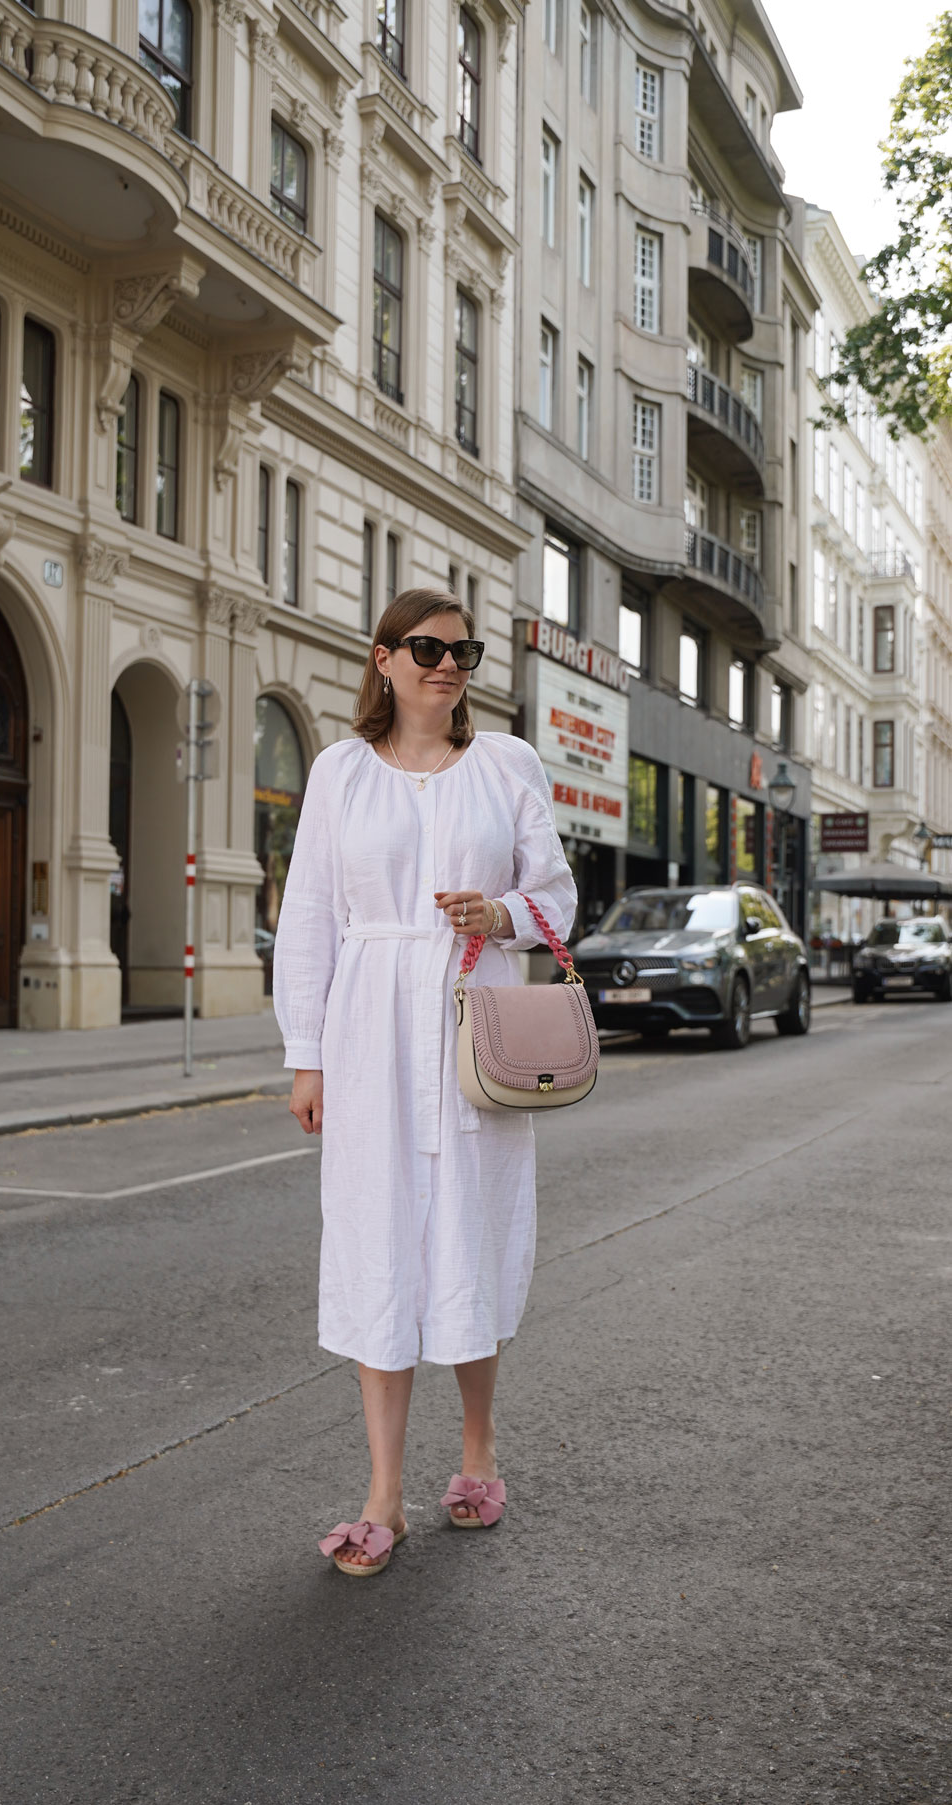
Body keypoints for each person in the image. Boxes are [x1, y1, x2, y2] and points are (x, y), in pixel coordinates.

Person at [273, 587, 577, 1577]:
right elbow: (310, 912)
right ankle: (384, 1494)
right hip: (368, 1033)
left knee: (468, 1233)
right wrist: (304, 1052)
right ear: (383, 658)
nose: (448, 664)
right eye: (427, 647)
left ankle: (479, 1444)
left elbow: (559, 892)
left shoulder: (507, 764)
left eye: (463, 650)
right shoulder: (339, 772)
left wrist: (502, 914)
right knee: (378, 1240)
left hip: (468, 1030)